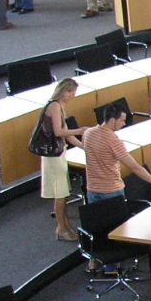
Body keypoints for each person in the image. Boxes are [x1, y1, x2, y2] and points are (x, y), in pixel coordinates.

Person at [81, 101, 151, 203]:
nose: (124, 124)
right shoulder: (113, 141)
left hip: (92, 190)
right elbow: (135, 168)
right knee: (118, 219)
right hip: (111, 192)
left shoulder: (88, 133)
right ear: (112, 120)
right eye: (122, 121)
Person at [40, 78, 89, 241]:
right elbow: (59, 132)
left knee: (64, 193)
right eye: (72, 93)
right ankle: (61, 228)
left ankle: (66, 224)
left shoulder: (59, 107)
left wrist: (84, 146)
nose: (73, 97)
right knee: (60, 194)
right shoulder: (54, 106)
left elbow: (67, 134)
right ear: (65, 91)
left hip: (59, 153)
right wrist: (81, 129)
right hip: (53, 157)